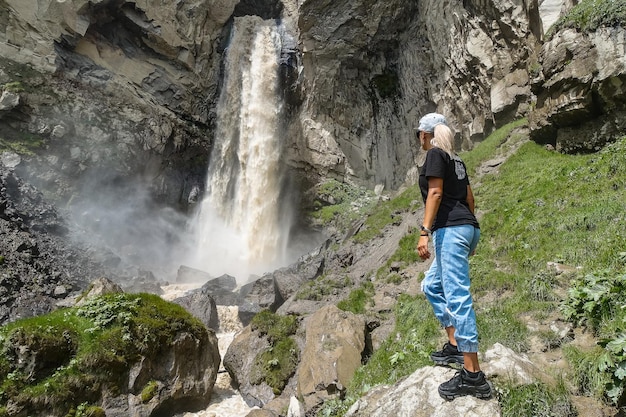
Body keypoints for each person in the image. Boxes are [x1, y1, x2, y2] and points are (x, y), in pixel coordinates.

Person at [415, 112, 492, 400]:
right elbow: (470, 197)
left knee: (458, 296)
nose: (419, 138)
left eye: (419, 133)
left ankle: (473, 375)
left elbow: (435, 194)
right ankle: (456, 345)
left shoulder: (435, 154)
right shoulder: (455, 158)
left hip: (450, 230)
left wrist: (425, 231)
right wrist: (472, 230)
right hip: (466, 227)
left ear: (426, 134)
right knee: (431, 286)